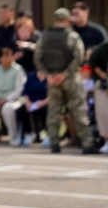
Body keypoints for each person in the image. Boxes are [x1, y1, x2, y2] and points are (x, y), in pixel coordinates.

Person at [36, 8, 95, 154]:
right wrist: (65, 74)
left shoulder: (44, 37)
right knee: (79, 110)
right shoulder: (72, 36)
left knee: (53, 112)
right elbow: (79, 57)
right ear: (67, 20)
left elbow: (37, 58)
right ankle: (87, 144)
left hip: (52, 80)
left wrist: (48, 74)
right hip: (71, 79)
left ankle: (54, 144)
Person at [88, 38, 108, 153]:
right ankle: (107, 141)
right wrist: (101, 74)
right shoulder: (104, 47)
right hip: (104, 85)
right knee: (104, 113)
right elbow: (92, 59)